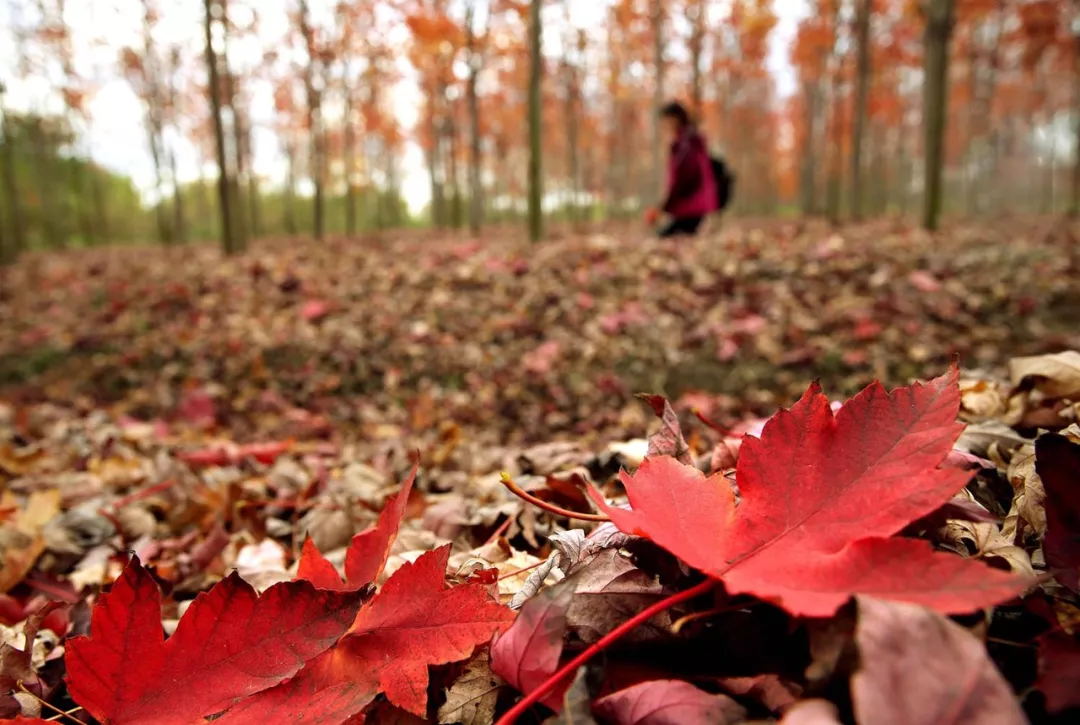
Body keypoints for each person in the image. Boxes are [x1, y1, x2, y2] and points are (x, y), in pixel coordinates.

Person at [645, 101, 717, 237]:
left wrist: (665, 206)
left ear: (675, 119)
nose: (665, 126)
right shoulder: (686, 141)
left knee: (668, 237)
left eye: (667, 121)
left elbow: (685, 177)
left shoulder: (686, 143)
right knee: (675, 236)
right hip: (692, 204)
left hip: (692, 205)